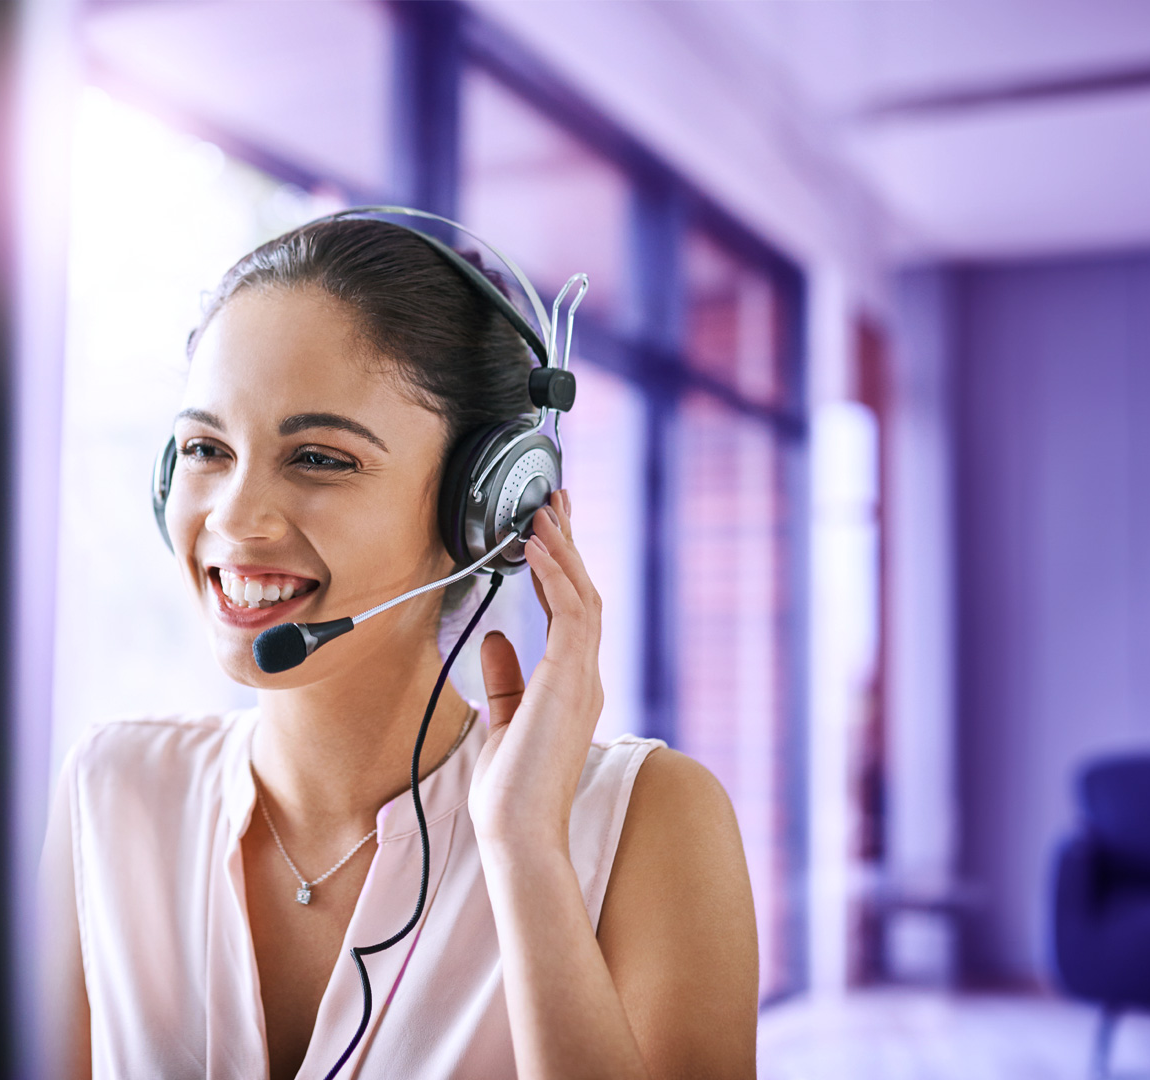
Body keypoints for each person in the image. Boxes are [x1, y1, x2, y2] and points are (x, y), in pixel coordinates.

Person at [39, 217, 757, 1079]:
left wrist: (525, 848)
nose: (231, 518)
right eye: (206, 449)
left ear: (485, 507)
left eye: (318, 458)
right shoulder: (114, 791)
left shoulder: (649, 822)